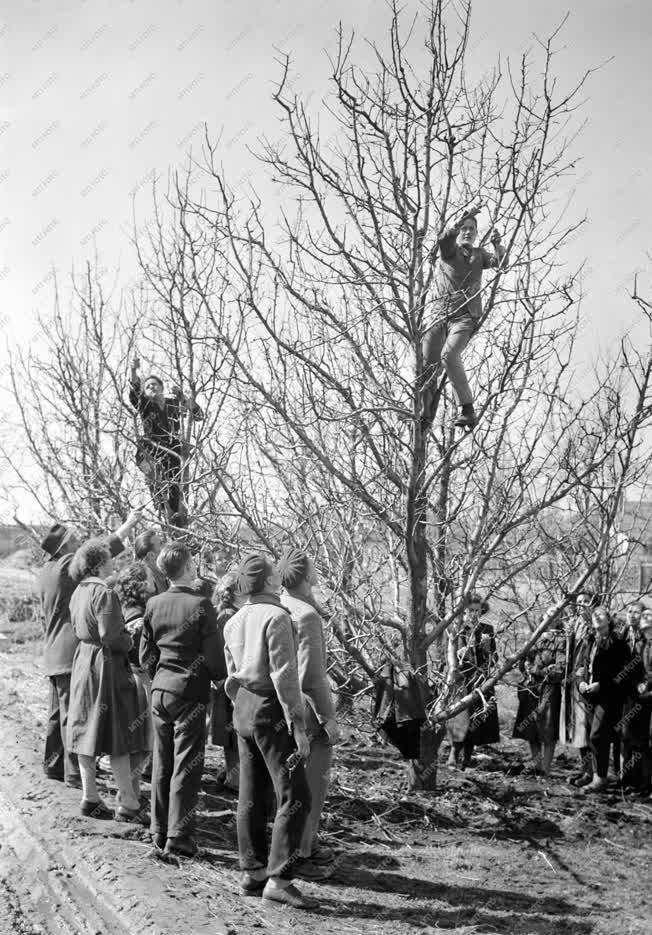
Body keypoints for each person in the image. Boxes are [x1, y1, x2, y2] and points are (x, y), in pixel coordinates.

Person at [223, 552, 314, 910]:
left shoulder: (234, 620)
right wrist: (299, 726)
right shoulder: (277, 616)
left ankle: (253, 870)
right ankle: (280, 878)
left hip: (243, 708)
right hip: (270, 710)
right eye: (274, 573)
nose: (279, 576)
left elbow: (230, 674)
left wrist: (239, 704)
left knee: (252, 791)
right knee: (296, 794)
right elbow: (285, 678)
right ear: (268, 581)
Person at [38, 510, 141, 789]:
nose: (78, 541)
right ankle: (74, 774)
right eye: (74, 539)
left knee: (57, 713)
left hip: (52, 651)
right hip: (70, 652)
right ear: (65, 547)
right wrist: (127, 527)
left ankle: (53, 765)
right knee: (75, 715)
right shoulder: (65, 566)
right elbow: (96, 555)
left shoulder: (46, 570)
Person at [140, 541, 225, 858]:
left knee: (162, 761)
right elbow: (215, 657)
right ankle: (179, 836)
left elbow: (145, 654)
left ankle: (158, 830)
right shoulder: (202, 605)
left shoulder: (154, 603)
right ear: (188, 568)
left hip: (161, 690)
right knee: (187, 764)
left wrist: (159, 676)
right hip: (189, 691)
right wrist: (219, 679)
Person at [67, 539, 150, 821]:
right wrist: (129, 641)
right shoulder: (104, 592)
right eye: (109, 560)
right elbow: (111, 635)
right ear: (100, 563)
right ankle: (128, 802)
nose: (113, 563)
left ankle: (90, 797)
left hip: (83, 661)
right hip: (105, 665)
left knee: (86, 728)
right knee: (119, 733)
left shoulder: (79, 590)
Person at [278, 548, 339, 880]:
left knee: (287, 785)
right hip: (308, 713)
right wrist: (328, 717)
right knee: (313, 783)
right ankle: (304, 850)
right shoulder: (307, 615)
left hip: (277, 709)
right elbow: (312, 675)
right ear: (305, 576)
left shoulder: (277, 606)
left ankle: (290, 845)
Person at [424, 207, 506, 430]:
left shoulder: (480, 255)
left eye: (472, 229)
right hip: (439, 315)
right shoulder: (449, 251)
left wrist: (498, 245)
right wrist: (457, 223)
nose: (468, 232)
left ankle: (467, 409)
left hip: (464, 318)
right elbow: (444, 240)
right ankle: (424, 415)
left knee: (449, 355)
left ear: (477, 233)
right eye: (464, 228)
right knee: (426, 368)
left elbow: (501, 263)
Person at [128, 357, 203, 525]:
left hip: (175, 453)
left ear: (162, 388)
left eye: (155, 384)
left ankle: (179, 524)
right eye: (148, 386)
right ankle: (161, 501)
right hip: (153, 452)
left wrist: (182, 396)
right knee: (159, 488)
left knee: (178, 497)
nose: (151, 387)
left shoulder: (173, 403)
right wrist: (134, 371)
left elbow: (198, 415)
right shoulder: (145, 404)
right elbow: (135, 393)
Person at [580, 606, 632, 794]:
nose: (597, 617)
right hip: (589, 695)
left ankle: (600, 778)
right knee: (593, 737)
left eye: (601, 615)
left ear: (609, 620)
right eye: (594, 615)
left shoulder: (618, 643)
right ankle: (597, 775)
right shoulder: (590, 640)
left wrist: (602, 685)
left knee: (597, 735)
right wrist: (581, 681)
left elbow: (623, 673)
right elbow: (583, 665)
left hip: (609, 697)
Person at [446, 593, 500, 768]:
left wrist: (487, 650)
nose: (473, 614)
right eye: (470, 610)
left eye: (477, 610)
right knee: (459, 716)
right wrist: (459, 656)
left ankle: (468, 756)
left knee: (476, 718)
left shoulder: (487, 629)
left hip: (480, 680)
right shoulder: (458, 629)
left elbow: (494, 659)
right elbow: (449, 654)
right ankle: (454, 754)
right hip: (462, 679)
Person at [114, 562, 156, 785]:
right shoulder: (141, 619)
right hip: (140, 683)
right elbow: (145, 658)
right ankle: (131, 797)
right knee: (140, 744)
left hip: (121, 679)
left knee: (129, 743)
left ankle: (128, 794)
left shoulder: (119, 610)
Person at [512, 611, 566, 776]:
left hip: (549, 688)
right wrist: (527, 666)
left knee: (548, 728)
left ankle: (546, 770)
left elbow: (559, 669)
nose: (550, 617)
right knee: (531, 729)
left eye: (555, 615)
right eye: (547, 614)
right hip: (530, 687)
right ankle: (536, 766)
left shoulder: (561, 640)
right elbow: (522, 662)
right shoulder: (534, 637)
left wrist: (537, 670)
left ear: (559, 619)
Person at [560, 591, 599, 787]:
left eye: (586, 601)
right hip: (573, 682)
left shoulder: (596, 624)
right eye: (579, 602)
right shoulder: (574, 624)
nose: (582, 605)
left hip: (589, 683)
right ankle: (585, 770)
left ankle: (594, 773)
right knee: (579, 729)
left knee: (591, 730)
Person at [209, 572, 240, 792]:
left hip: (221, 679)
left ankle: (231, 772)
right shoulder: (229, 616)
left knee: (229, 730)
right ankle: (234, 776)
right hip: (230, 679)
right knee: (233, 730)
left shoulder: (219, 612)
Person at [621, 606, 651, 793]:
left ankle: (645, 783)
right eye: (645, 615)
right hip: (635, 695)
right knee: (633, 738)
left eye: (649, 615)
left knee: (645, 740)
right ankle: (633, 780)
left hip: (647, 694)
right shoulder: (638, 641)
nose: (645, 617)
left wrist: (646, 684)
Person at [134, 529, 168, 595]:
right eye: (161, 544)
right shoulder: (147, 585)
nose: (166, 545)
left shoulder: (161, 574)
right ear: (151, 555)